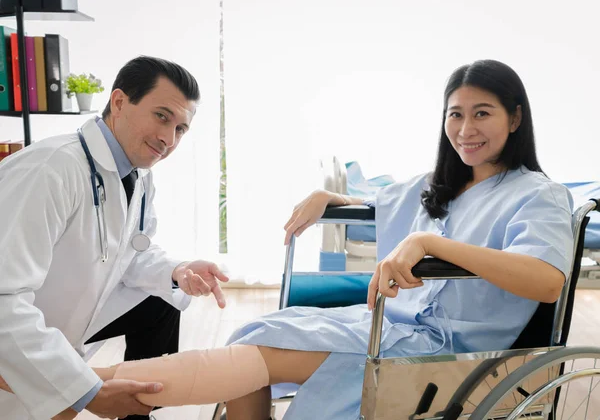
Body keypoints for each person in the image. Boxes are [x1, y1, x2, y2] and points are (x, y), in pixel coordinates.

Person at [0, 59, 575, 420]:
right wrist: (331, 198)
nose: (465, 130)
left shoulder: (539, 194)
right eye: (455, 115)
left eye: (483, 114)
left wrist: (433, 246)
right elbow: (388, 203)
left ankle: (73, 385)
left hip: (455, 347)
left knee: (263, 355)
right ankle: (71, 384)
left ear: (516, 118)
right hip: (401, 323)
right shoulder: (440, 186)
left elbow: (548, 281)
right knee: (260, 328)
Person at [0, 56, 230, 420]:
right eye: (161, 116)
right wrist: (88, 392)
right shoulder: (51, 170)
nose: (168, 140)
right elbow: (2, 299)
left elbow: (132, 250)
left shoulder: (137, 174)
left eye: (181, 129)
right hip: (12, 340)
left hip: (63, 317)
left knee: (163, 300)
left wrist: (178, 270)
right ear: (120, 102)